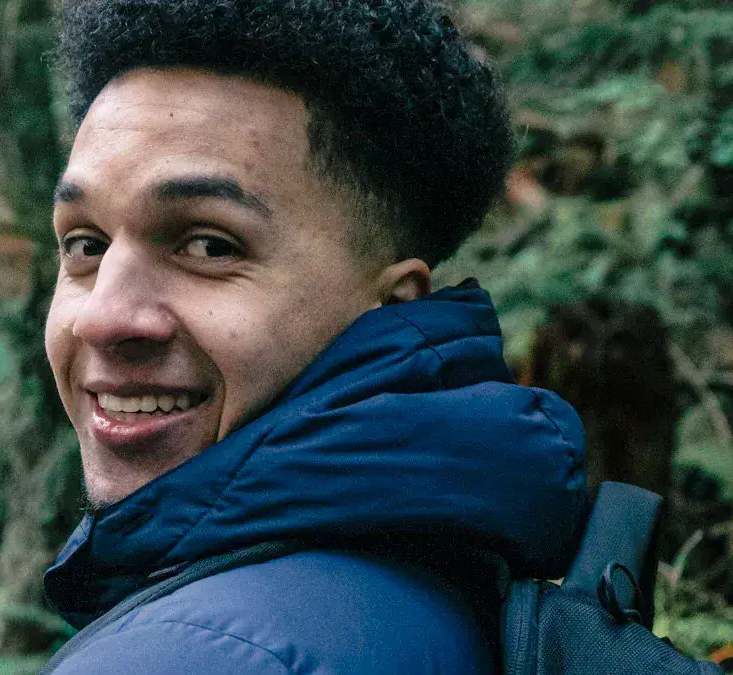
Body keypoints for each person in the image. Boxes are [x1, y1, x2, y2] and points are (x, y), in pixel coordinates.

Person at [40, 1, 589, 672]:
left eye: (209, 245)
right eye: (86, 244)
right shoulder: (448, 579)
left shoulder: (201, 655)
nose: (101, 317)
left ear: (391, 303)